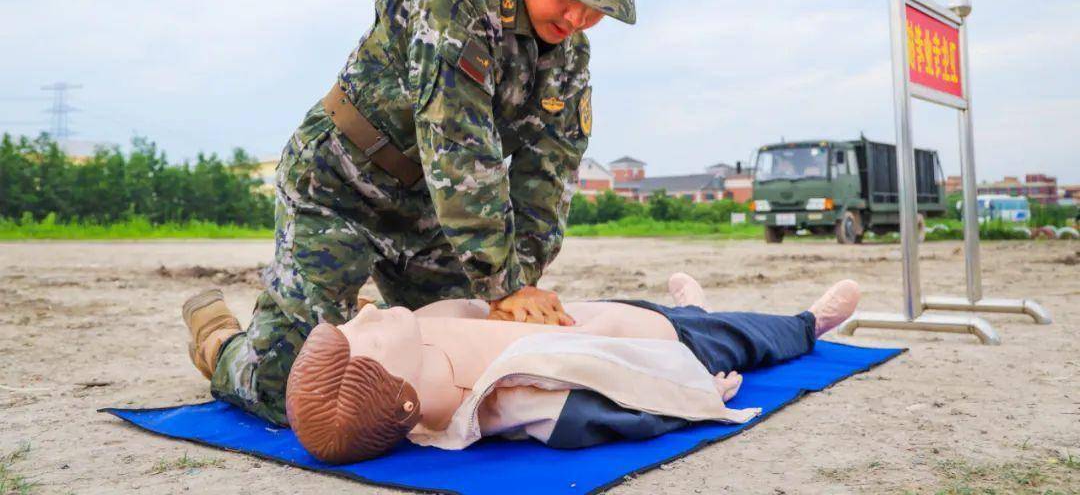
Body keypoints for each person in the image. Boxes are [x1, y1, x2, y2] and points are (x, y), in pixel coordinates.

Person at [182, 0, 664, 427]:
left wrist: (520, 288)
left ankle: (356, 319)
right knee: (296, 393)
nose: (579, 15)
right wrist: (501, 281)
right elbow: (460, 151)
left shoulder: (568, 58)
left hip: (429, 219)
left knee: (451, 368)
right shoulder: (456, 1)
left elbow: (546, 178)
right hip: (338, 193)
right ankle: (222, 342)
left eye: (600, 5)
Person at [284, 274, 861, 462]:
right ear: (401, 397)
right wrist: (693, 394)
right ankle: (809, 322)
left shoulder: (417, 330)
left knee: (681, 311)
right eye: (364, 338)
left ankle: (693, 304)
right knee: (747, 336)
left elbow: (474, 306)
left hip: (604, 315)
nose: (364, 313)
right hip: (666, 344)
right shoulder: (502, 395)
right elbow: (605, 413)